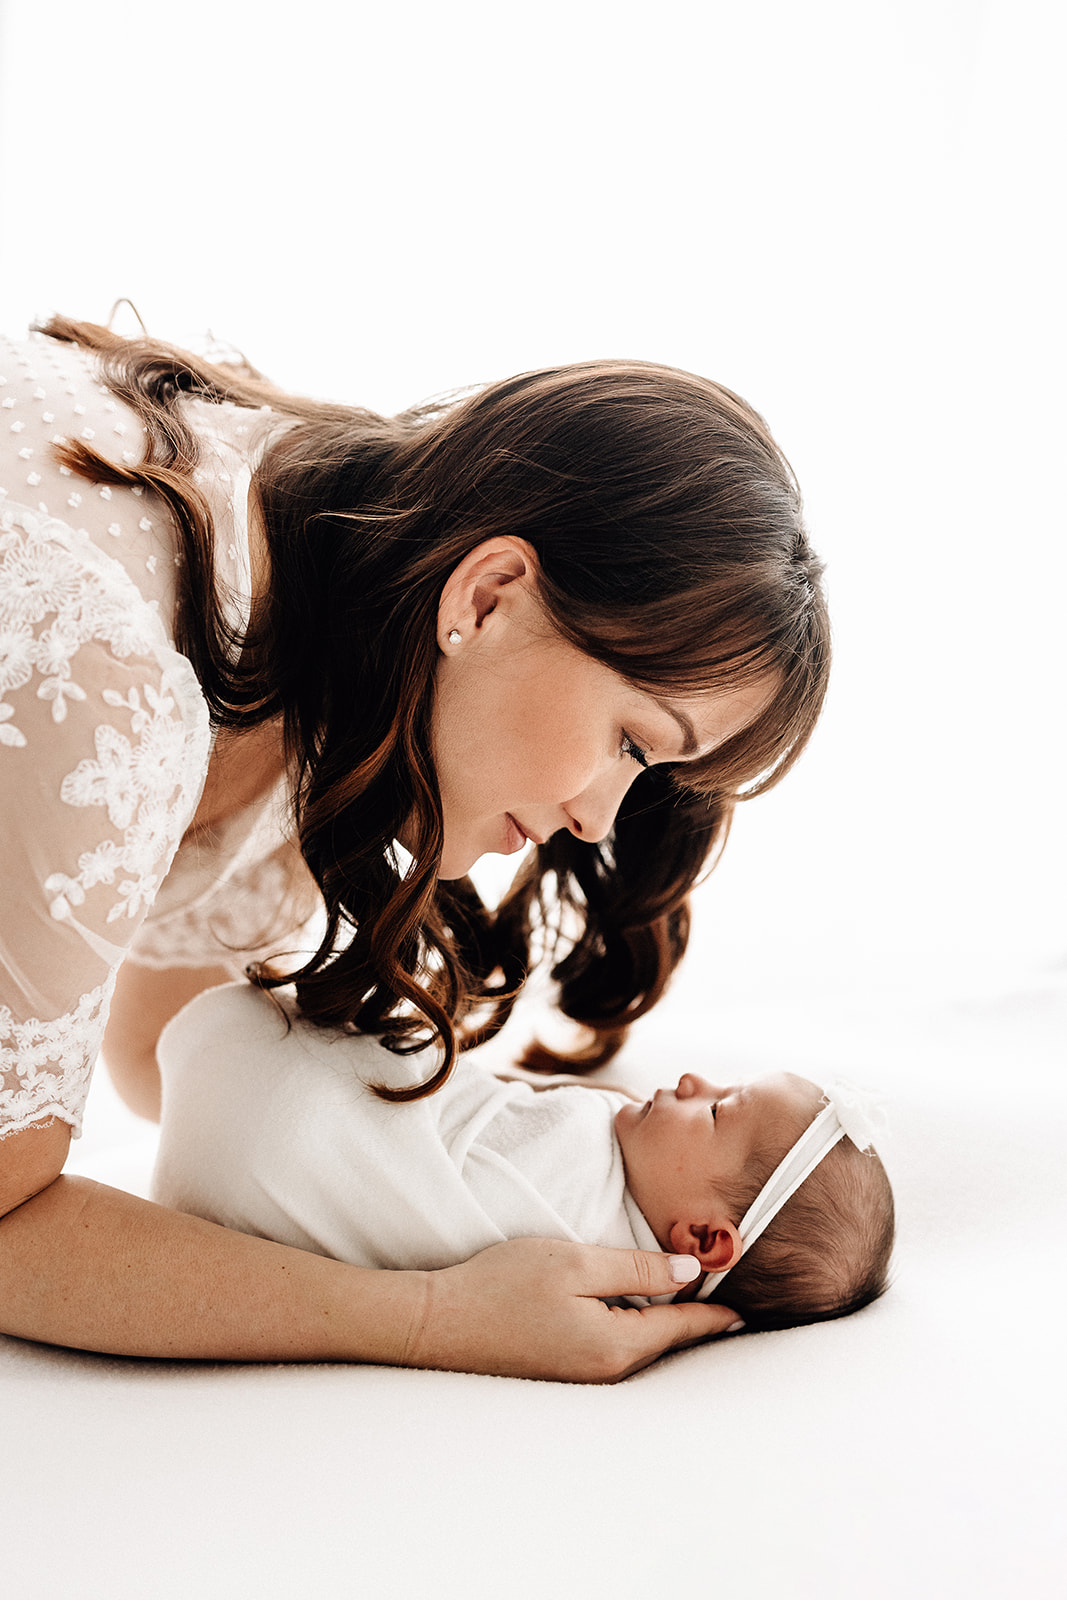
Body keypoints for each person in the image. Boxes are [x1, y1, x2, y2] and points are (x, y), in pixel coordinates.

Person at [0, 313, 829, 1379]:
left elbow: (162, 1057)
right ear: (487, 595)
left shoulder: (310, 594)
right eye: (630, 740)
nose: (595, 821)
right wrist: (432, 1317)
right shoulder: (109, 682)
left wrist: (493, 1169)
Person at [153, 982, 894, 1334]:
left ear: (703, 1239)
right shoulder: (627, 1292)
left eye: (714, 1110)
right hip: (216, 1185)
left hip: (271, 1109)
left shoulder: (574, 1179)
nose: (693, 1081)